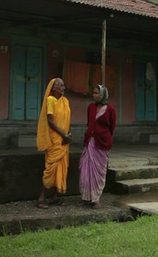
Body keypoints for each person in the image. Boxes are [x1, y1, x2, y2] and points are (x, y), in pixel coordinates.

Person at [77, 84, 116, 209]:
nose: (94, 95)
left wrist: (103, 136)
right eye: (93, 93)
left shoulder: (110, 110)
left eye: (96, 93)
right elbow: (90, 123)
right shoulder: (91, 107)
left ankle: (96, 199)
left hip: (102, 144)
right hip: (90, 142)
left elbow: (112, 127)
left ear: (103, 94)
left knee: (99, 172)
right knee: (85, 170)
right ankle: (86, 198)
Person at [36, 77, 72, 209]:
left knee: (62, 168)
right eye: (60, 86)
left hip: (64, 139)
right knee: (50, 169)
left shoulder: (65, 101)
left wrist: (68, 135)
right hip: (55, 139)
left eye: (63, 86)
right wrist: (63, 134)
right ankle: (41, 198)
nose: (63, 88)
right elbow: (50, 121)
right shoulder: (50, 100)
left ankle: (55, 196)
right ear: (54, 88)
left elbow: (66, 121)